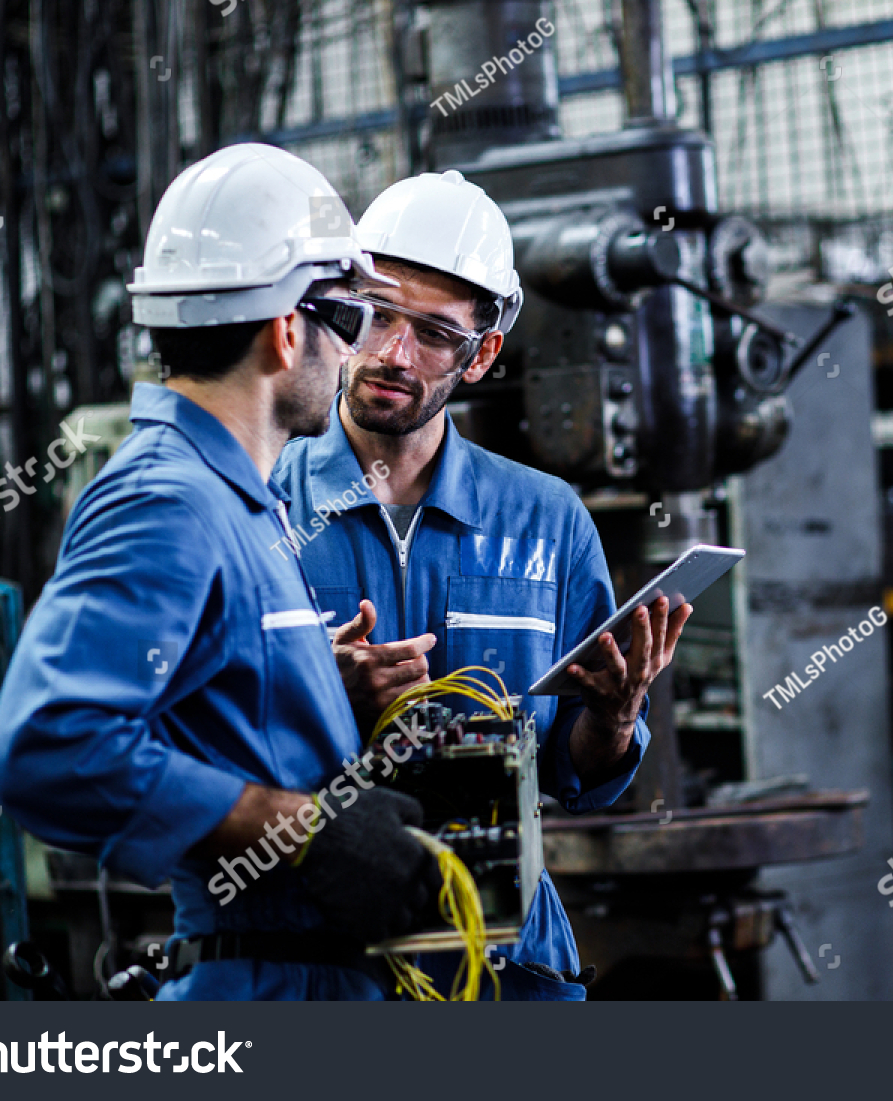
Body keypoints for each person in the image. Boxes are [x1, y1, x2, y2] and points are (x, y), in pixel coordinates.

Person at [0, 144, 445, 1001]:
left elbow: (193, 704)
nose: (355, 353)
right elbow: (46, 747)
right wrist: (304, 826)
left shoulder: (242, 499)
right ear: (284, 329)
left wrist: (302, 693)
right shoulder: (169, 501)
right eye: (348, 319)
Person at [270, 169, 692, 1000]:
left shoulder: (547, 522)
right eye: (379, 315)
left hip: (508, 964)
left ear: (482, 352)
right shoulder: (263, 502)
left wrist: (614, 716)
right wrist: (320, 693)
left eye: (432, 333)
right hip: (321, 959)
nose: (392, 354)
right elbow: (196, 741)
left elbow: (580, 775)